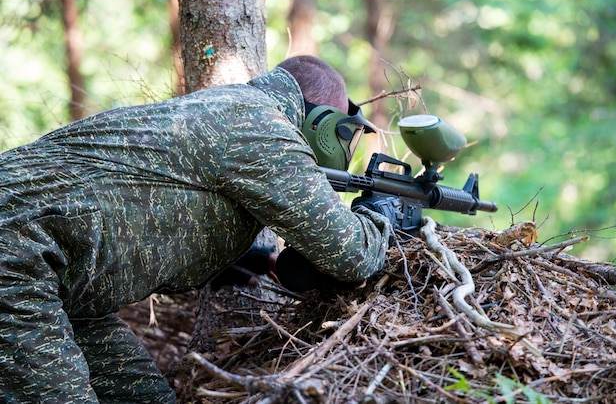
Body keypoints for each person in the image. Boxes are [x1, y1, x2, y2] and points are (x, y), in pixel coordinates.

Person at [0, 55, 393, 403]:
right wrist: (381, 214)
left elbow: (146, 197)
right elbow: (352, 255)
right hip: (18, 260)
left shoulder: (227, 108)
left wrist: (239, 257)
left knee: (140, 395)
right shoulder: (262, 125)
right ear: (324, 120)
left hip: (59, 282)